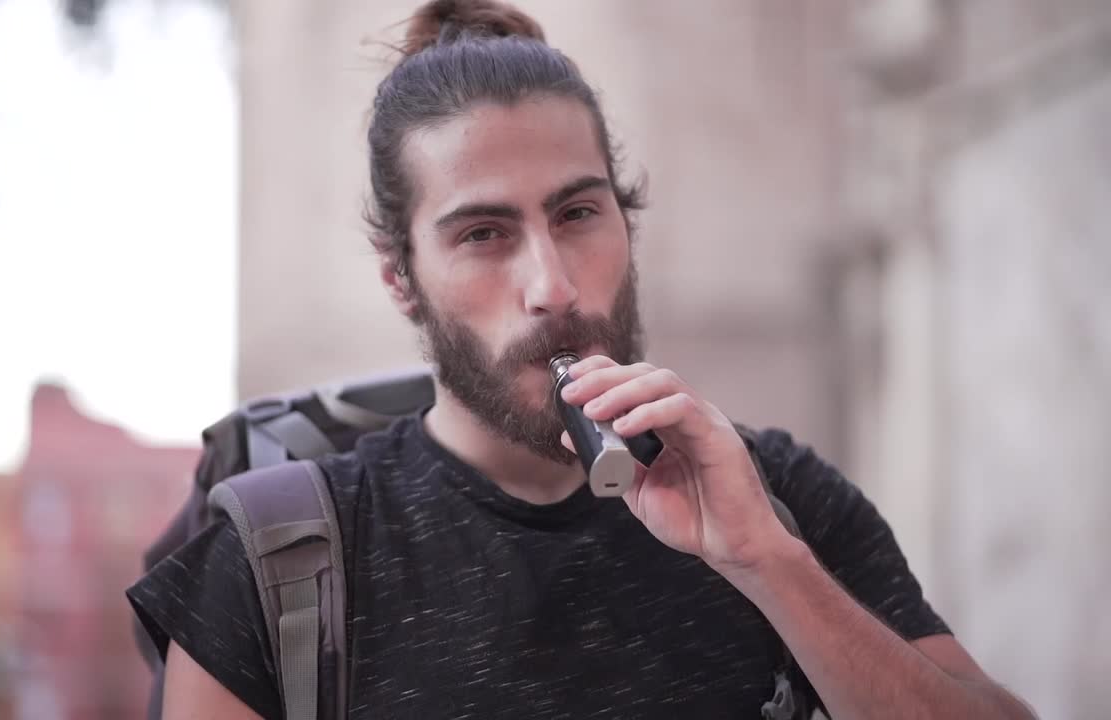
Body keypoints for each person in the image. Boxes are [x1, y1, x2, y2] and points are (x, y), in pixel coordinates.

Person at [127, 1, 1035, 718]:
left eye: (578, 213)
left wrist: (768, 560)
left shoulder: (782, 498)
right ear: (403, 280)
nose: (553, 286)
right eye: (484, 233)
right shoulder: (274, 561)